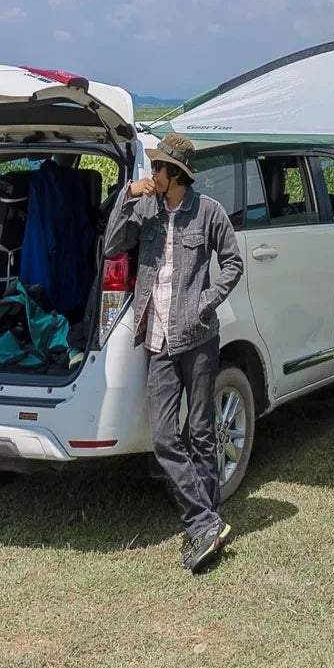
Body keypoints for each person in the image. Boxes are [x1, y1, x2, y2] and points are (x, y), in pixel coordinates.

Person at [104, 132, 244, 573]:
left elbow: (233, 264)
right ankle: (206, 521)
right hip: (157, 340)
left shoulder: (209, 213)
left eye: (158, 168)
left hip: (198, 338)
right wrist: (127, 194)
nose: (152, 173)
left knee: (201, 432)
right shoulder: (145, 207)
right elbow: (110, 244)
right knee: (165, 438)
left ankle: (207, 526)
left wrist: (204, 303)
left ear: (176, 174)